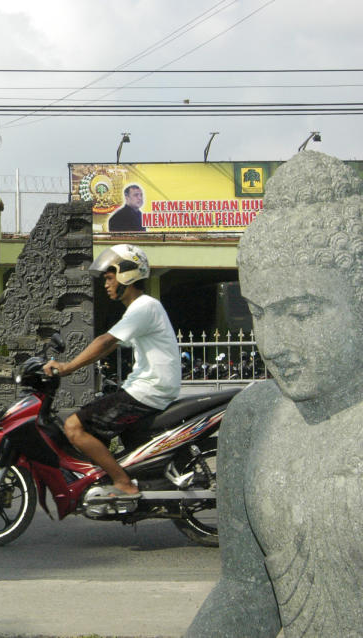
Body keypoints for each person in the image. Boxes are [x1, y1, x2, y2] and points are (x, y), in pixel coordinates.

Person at [187, 151, 363, 637]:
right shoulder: (254, 417)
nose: (274, 344)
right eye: (260, 313)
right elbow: (246, 589)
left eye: (301, 313)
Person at [43, 244, 180, 497]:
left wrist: (67, 367)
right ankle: (106, 477)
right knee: (94, 424)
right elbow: (110, 345)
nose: (106, 285)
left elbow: (106, 342)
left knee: (74, 426)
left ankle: (123, 483)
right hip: (148, 389)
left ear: (127, 274)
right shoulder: (143, 308)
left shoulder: (144, 306)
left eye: (109, 277)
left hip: (147, 391)